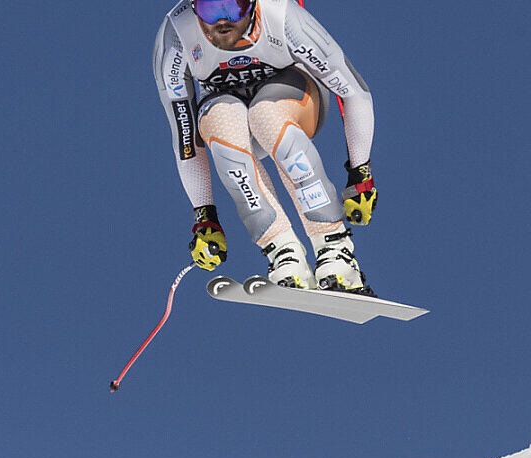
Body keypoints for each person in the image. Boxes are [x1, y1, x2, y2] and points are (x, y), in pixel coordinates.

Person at [152, 0, 377, 295]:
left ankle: (334, 248)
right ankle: (283, 252)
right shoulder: (177, 36)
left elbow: (354, 92)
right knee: (220, 123)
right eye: (209, 8)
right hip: (227, 110)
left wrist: (360, 171)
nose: (222, 21)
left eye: (234, 8)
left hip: (292, 100)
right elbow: (186, 141)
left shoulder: (282, 16)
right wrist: (204, 216)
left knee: (265, 116)